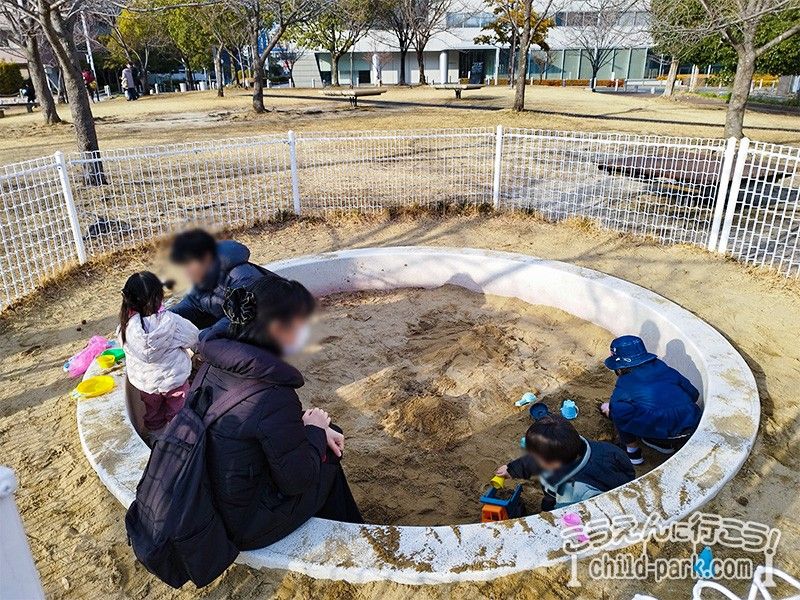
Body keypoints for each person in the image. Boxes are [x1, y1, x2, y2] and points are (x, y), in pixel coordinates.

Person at [197, 276, 362, 549]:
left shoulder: (214, 366)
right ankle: (349, 533)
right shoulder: (272, 393)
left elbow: (250, 421)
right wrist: (315, 429)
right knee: (328, 452)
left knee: (322, 438)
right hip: (246, 523)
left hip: (212, 499)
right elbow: (298, 479)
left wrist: (309, 426)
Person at [495, 415, 635, 511]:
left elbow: (568, 513)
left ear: (550, 463)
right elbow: (628, 470)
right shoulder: (604, 448)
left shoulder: (572, 491)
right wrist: (511, 469)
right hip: (613, 483)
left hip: (592, 502)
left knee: (553, 508)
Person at [119, 271, 199, 438]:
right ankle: (180, 438)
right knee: (179, 412)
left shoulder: (125, 327)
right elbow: (193, 337)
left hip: (146, 384)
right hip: (174, 381)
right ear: (159, 296)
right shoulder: (172, 322)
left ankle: (156, 437)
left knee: (153, 413)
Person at [600, 335, 702, 465]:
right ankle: (665, 445)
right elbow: (694, 394)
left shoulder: (625, 383)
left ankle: (633, 453)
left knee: (619, 411)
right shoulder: (666, 369)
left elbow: (618, 411)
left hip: (663, 433)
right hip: (692, 425)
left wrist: (610, 410)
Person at [169, 229, 270, 331]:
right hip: (227, 317)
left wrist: (211, 333)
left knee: (207, 342)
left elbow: (245, 316)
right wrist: (169, 316)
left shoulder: (241, 277)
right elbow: (193, 302)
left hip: (265, 325)